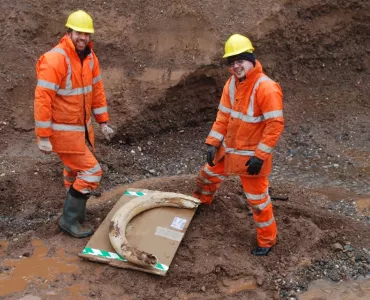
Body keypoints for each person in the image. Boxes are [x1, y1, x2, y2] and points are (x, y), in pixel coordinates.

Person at [193, 34, 284, 256]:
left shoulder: (267, 88)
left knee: (258, 202)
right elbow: (223, 116)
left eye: (240, 60)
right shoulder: (231, 85)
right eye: (231, 62)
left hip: (252, 158)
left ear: (251, 59)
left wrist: (260, 157)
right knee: (206, 176)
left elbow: (275, 125)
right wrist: (213, 143)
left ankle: (267, 241)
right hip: (229, 150)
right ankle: (202, 204)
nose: (235, 66)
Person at [34, 10, 114, 238]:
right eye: (79, 32)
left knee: (73, 170)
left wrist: (103, 121)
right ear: (69, 31)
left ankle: (76, 213)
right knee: (91, 172)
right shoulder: (54, 59)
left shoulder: (90, 57)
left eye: (87, 34)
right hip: (63, 133)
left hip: (81, 131)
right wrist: (44, 136)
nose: (83, 38)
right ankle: (69, 220)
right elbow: (43, 99)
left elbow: (96, 90)